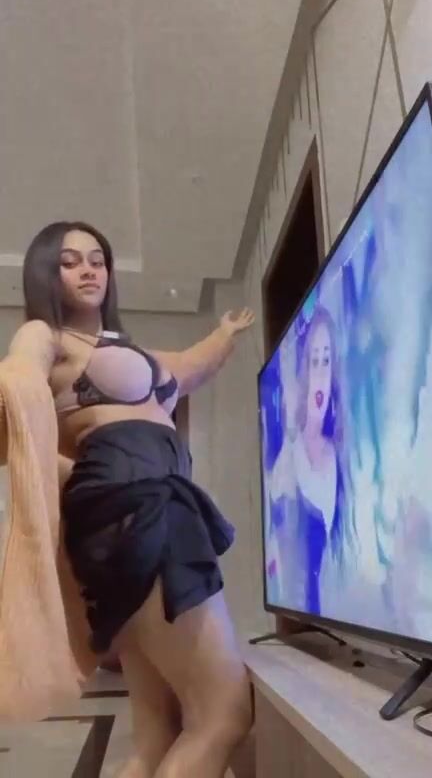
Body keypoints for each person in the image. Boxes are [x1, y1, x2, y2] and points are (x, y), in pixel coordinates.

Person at [9, 221, 254, 778]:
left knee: (158, 731)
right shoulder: (47, 335)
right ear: (46, 272)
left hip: (137, 506)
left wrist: (225, 333)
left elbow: (190, 365)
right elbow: (20, 370)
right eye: (70, 261)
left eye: (97, 259)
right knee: (223, 716)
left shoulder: (125, 349)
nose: (89, 270)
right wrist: (20, 387)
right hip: (136, 505)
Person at [266, 307, 352, 615]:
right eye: (314, 361)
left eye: (326, 361)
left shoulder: (342, 456)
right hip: (296, 609)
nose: (320, 375)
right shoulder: (289, 454)